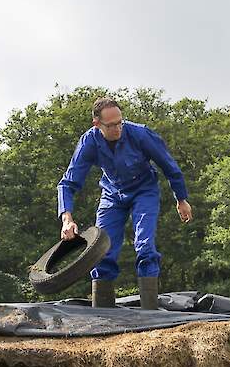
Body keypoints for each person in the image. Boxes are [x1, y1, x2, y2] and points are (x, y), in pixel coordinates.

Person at [58, 97, 193, 309]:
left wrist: (181, 198)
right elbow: (68, 182)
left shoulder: (140, 134)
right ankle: (103, 315)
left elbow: (169, 166)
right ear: (97, 124)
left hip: (144, 191)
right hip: (112, 194)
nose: (117, 128)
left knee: (145, 245)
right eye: (111, 125)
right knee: (101, 250)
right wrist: (67, 219)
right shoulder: (89, 142)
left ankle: (150, 314)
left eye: (120, 122)